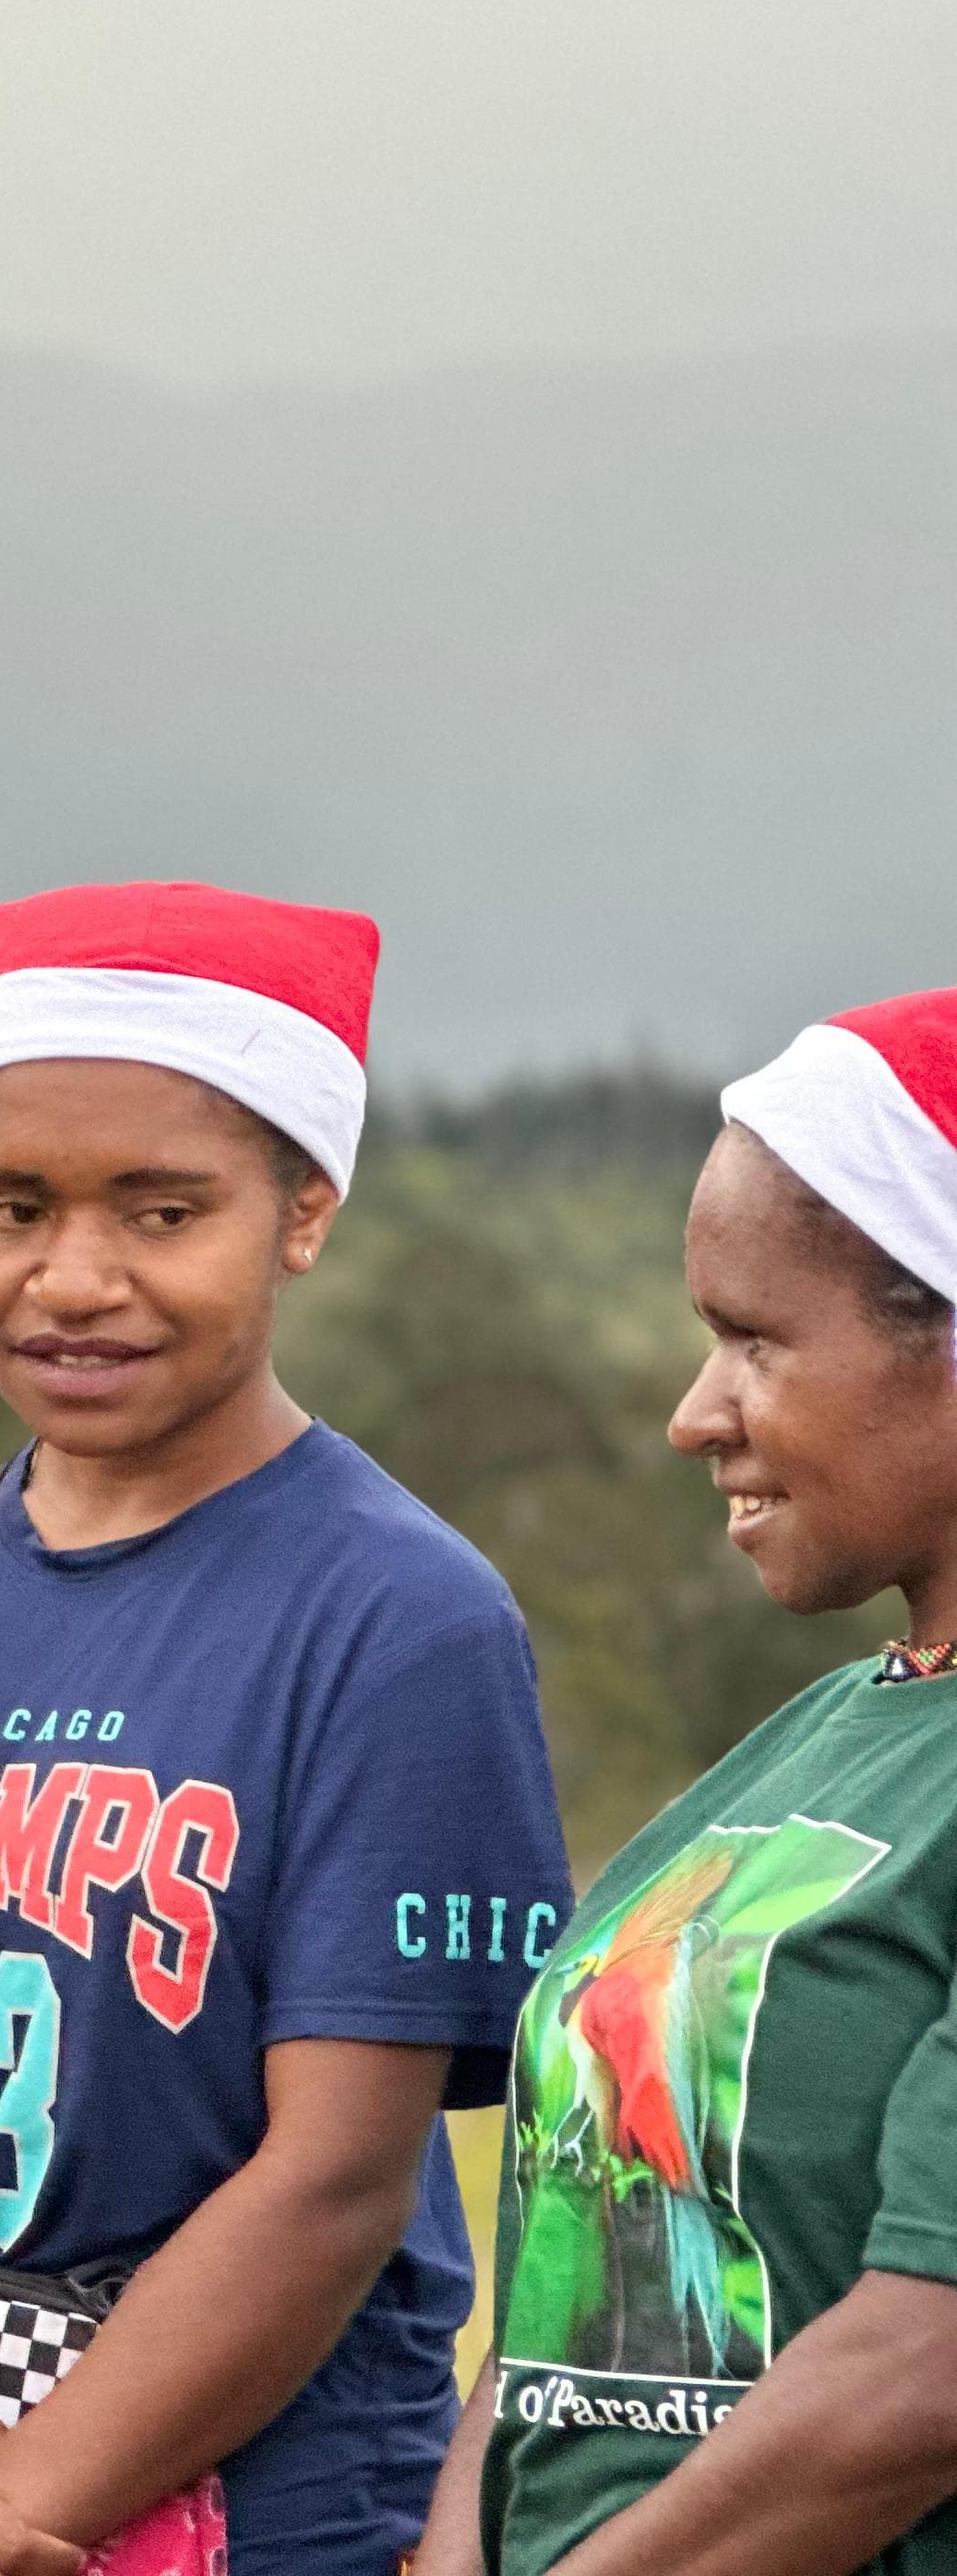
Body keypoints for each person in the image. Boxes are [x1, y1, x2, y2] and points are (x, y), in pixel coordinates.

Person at [0, 883, 571, 2576]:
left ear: (300, 1208)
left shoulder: (398, 1619)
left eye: (161, 1211)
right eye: (8, 1204)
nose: (71, 1277)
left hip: (239, 2506)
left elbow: (330, 2175)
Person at [422, 991, 957, 2576]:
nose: (691, 1410)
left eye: (753, 1338)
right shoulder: (812, 1743)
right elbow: (556, 2308)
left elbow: (923, 2368)